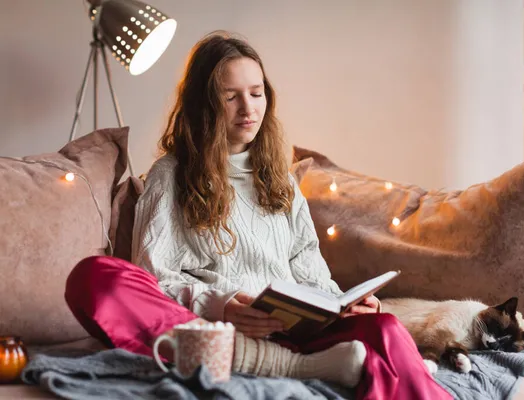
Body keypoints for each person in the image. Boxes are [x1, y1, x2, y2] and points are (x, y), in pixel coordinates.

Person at [65, 31, 451, 400]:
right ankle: (292, 368)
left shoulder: (280, 178)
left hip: (290, 329)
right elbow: (153, 279)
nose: (248, 109)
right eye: (231, 96)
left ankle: (304, 360)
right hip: (211, 332)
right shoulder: (171, 174)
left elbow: (309, 271)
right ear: (205, 104)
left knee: (384, 327)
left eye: (256, 92)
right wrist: (225, 305)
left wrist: (345, 304)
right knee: (94, 277)